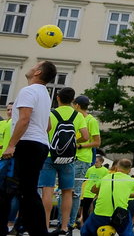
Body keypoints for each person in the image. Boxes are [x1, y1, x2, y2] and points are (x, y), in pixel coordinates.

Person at [1, 62, 57, 236]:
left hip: (27, 144)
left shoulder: (29, 91)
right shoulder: (45, 94)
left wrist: (11, 145)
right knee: (20, 190)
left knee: (20, 189)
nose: (32, 67)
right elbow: (47, 125)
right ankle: (31, 229)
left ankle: (38, 231)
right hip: (39, 144)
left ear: (38, 72)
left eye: (35, 65)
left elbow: (24, 119)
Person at [39, 86, 89, 236]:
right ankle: (65, 227)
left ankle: (45, 225)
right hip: (68, 157)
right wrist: (73, 141)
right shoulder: (78, 115)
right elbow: (86, 137)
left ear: (58, 98)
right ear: (73, 100)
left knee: (47, 191)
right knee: (68, 192)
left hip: (50, 156)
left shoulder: (51, 114)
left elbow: (45, 130)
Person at [79, 158, 134, 236]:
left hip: (100, 215)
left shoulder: (106, 177)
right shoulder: (131, 180)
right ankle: (130, 225)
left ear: (117, 167)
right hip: (120, 216)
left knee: (84, 232)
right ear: (130, 170)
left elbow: (93, 190)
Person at [67, 96, 101, 231]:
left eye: (73, 104)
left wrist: (80, 145)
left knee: (74, 192)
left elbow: (97, 142)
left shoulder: (91, 120)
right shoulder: (75, 119)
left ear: (76, 105)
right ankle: (64, 221)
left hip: (82, 158)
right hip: (70, 156)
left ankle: (71, 222)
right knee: (66, 190)